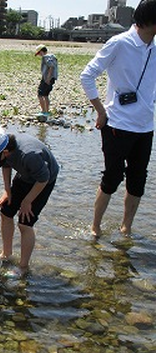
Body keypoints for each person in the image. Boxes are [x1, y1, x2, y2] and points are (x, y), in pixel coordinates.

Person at [80, 0, 156, 238]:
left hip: (145, 126)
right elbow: (87, 75)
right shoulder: (119, 43)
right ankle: (95, 226)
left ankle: (126, 228)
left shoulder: (155, 47)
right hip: (117, 124)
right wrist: (101, 111)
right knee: (112, 177)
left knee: (138, 180)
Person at [0, 126, 59, 277]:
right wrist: (7, 190)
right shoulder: (4, 147)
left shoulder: (29, 155)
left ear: (3, 153)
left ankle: (23, 267)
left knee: (25, 222)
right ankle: (6, 254)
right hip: (25, 175)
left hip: (43, 180)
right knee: (6, 212)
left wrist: (27, 201)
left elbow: (44, 178)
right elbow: (6, 164)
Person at [35, 44, 58, 118]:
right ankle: (47, 111)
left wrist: (47, 78)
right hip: (53, 78)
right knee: (46, 95)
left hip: (47, 78)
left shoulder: (45, 57)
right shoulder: (52, 56)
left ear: (41, 51)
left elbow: (51, 66)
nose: (39, 55)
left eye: (39, 53)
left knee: (40, 94)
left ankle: (43, 111)